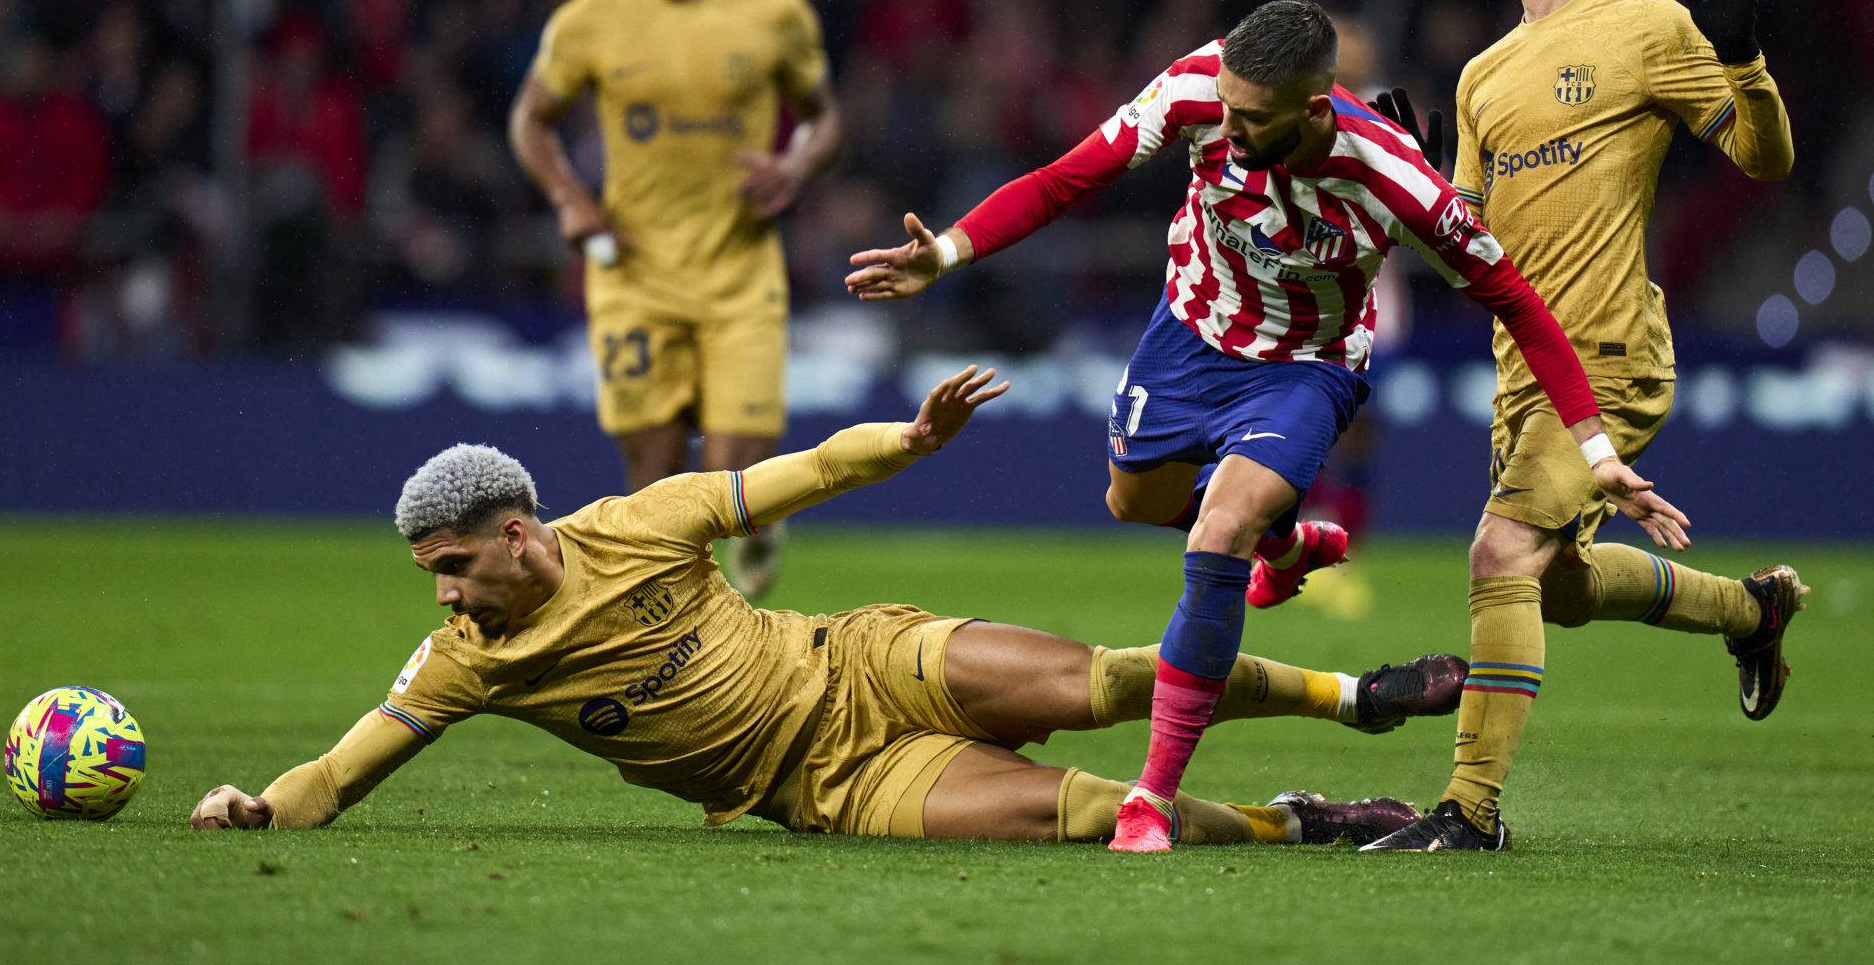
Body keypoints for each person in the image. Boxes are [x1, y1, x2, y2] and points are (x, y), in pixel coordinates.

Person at [844, 0, 1685, 852]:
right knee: (1131, 503)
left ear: (1314, 108)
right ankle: (1285, 546)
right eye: (1227, 111)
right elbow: (1067, 178)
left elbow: (1519, 305)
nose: (1229, 130)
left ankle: (1150, 799)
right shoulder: (1197, 88)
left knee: (1217, 532)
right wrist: (945, 253)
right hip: (1189, 333)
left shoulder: (1391, 175)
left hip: (1302, 369)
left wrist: (1593, 444)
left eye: (1252, 120)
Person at [188, 365, 1468, 848]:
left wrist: (911, 439)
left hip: (861, 663)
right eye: (437, 580)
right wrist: (260, 801)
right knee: (1083, 813)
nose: (451, 595)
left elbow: (797, 472)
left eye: (457, 565)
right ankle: (1296, 822)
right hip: (829, 783)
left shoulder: (640, 520)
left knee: (1104, 683)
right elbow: (338, 770)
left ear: (516, 533)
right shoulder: (467, 660)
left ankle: (1355, 697)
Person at [1361, 0, 1805, 853]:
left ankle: (1470, 811)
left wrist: (1743, 62)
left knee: (1498, 548)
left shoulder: (1645, 28)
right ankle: (1751, 612)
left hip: (1610, 353)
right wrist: (1421, 197)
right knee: (1550, 585)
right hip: (1527, 377)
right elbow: (1472, 256)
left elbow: (1765, 158)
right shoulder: (1479, 76)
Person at [508, 0, 843, 600]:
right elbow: (530, 119)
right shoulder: (591, 19)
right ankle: (676, 644)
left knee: (729, 485)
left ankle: (737, 592)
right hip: (633, 272)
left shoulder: (774, 14)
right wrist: (568, 193)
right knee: (654, 490)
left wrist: (794, 164)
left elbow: (826, 119)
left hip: (740, 271)